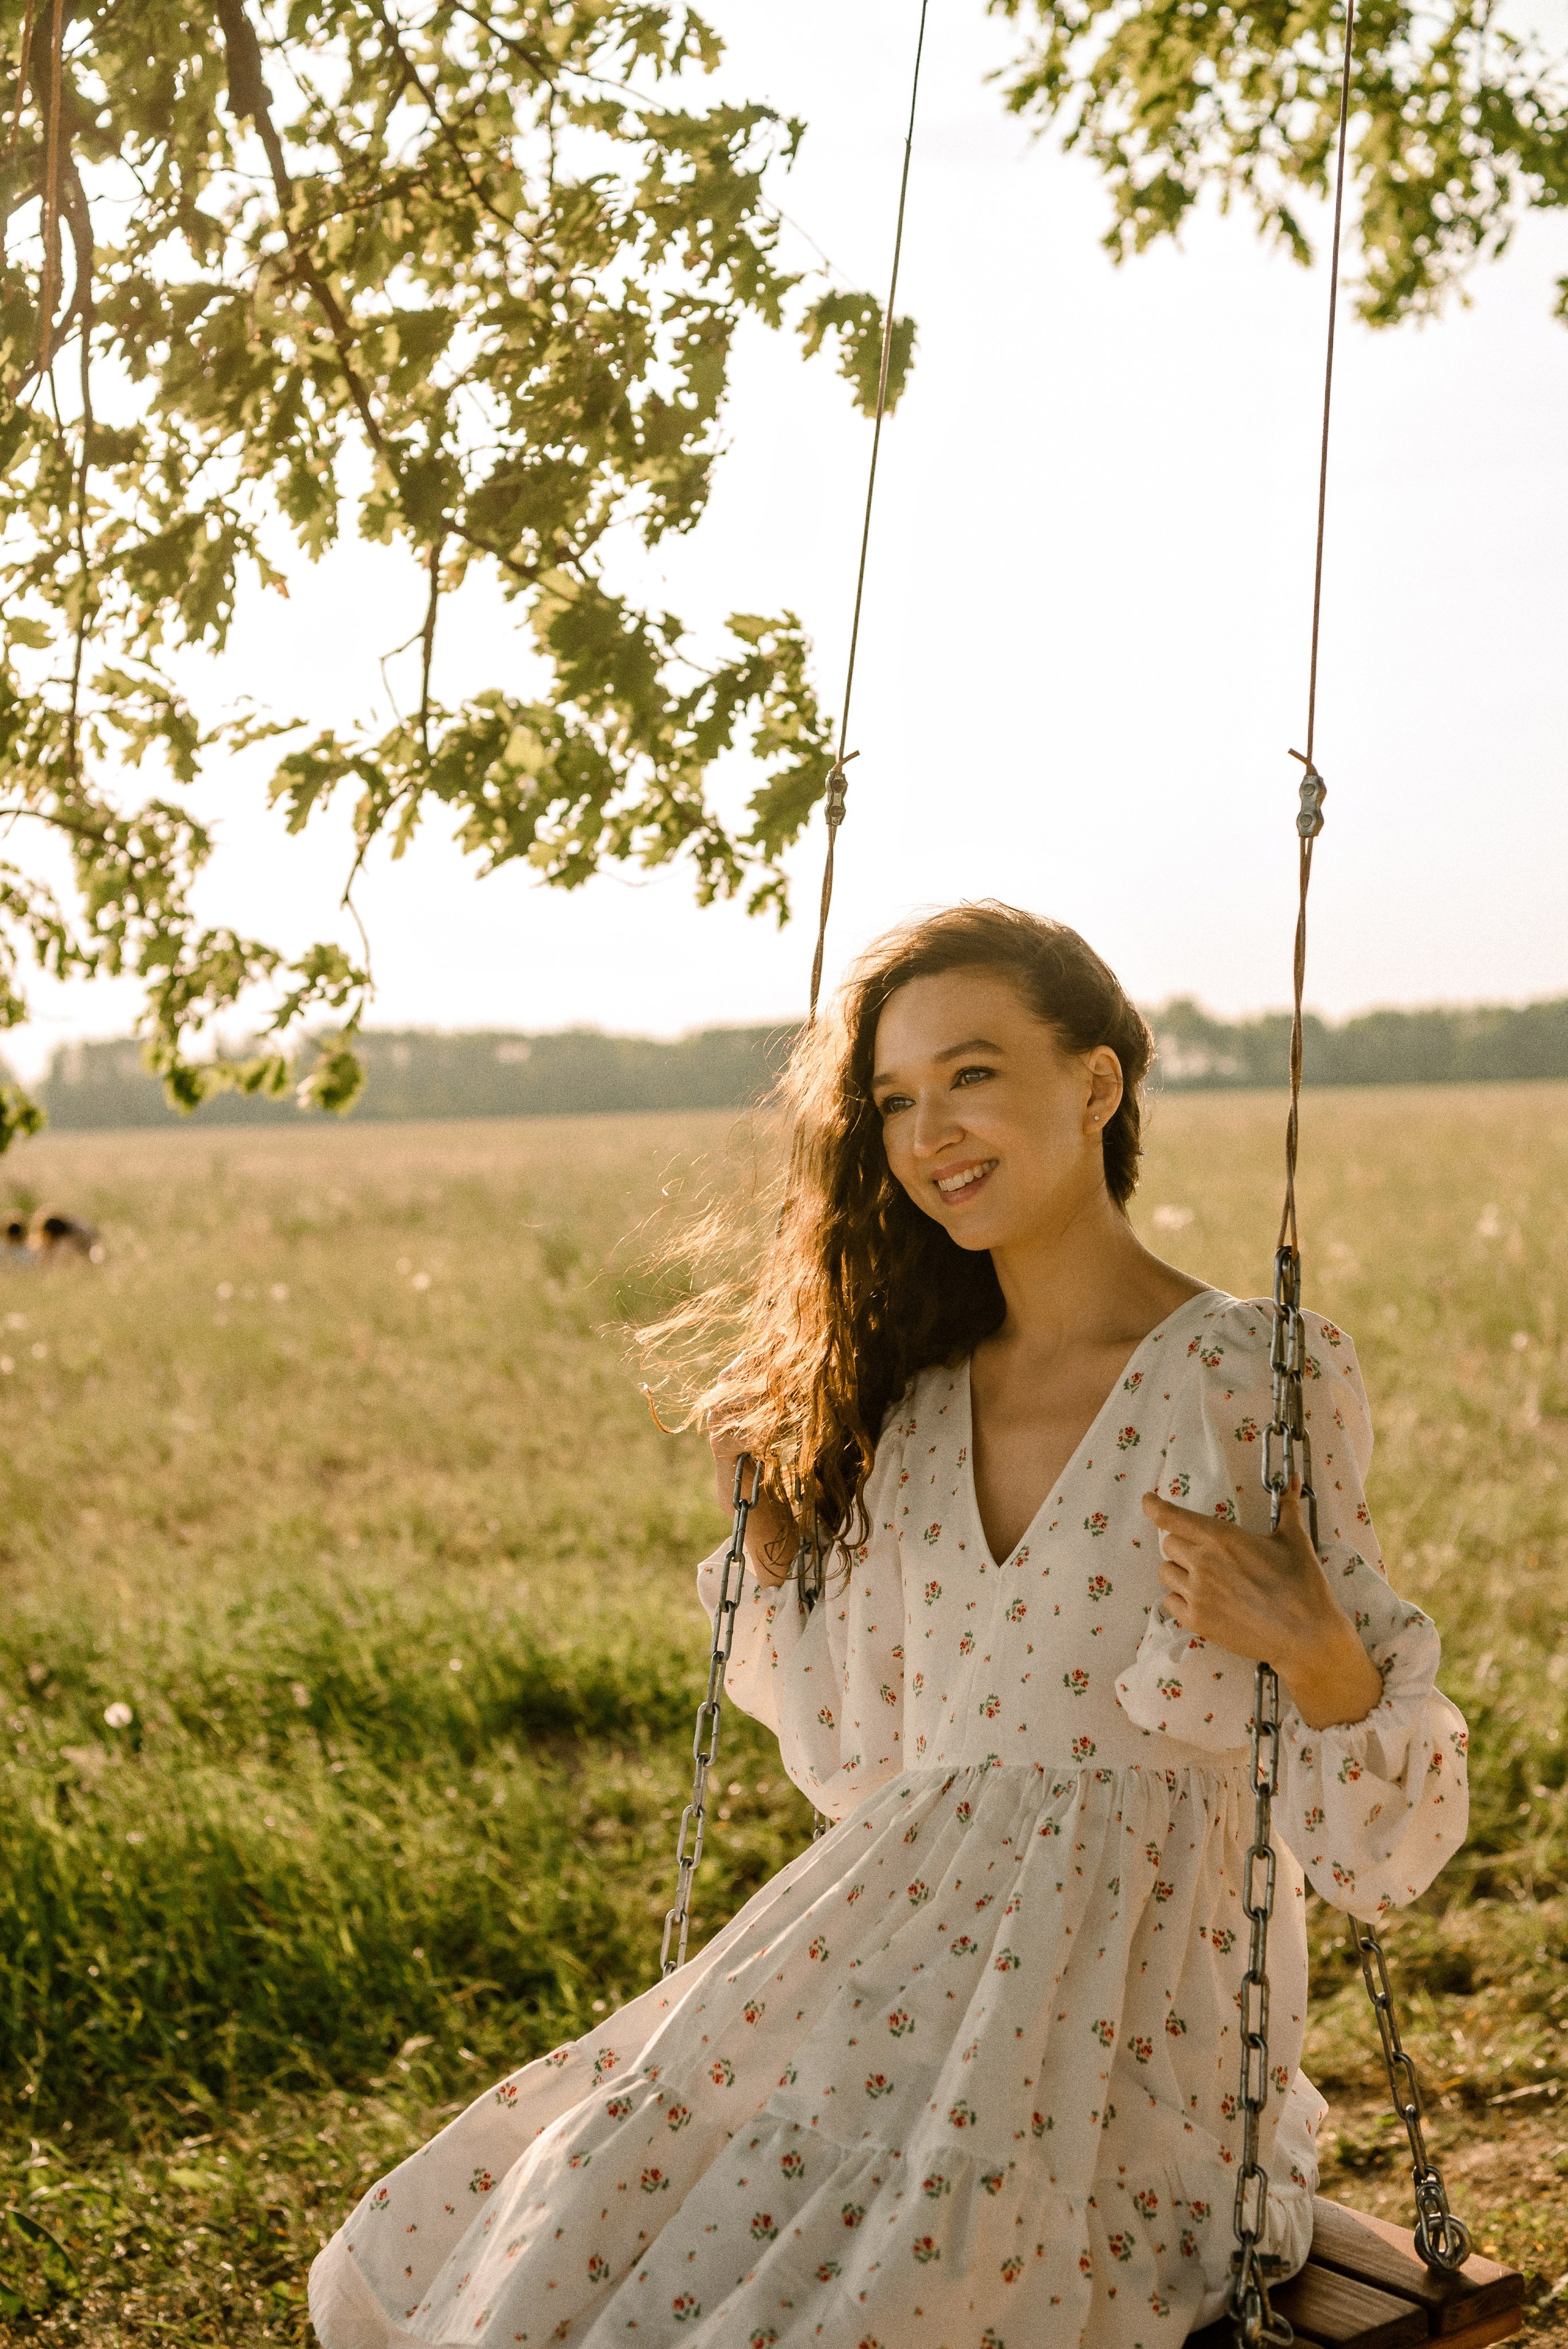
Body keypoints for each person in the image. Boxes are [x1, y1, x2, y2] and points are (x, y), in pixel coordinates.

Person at [309, 903, 1468, 2349]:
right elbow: (868, 1764)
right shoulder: (919, 1406)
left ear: (1096, 1085)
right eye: (895, 1099)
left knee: (875, 2295)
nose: (932, 1132)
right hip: (892, 1954)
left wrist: (1312, 1653)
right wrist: (777, 1542)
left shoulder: (1239, 1371)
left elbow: (1379, 1855)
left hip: (1120, 2020)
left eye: (971, 1074)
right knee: (560, 2232)